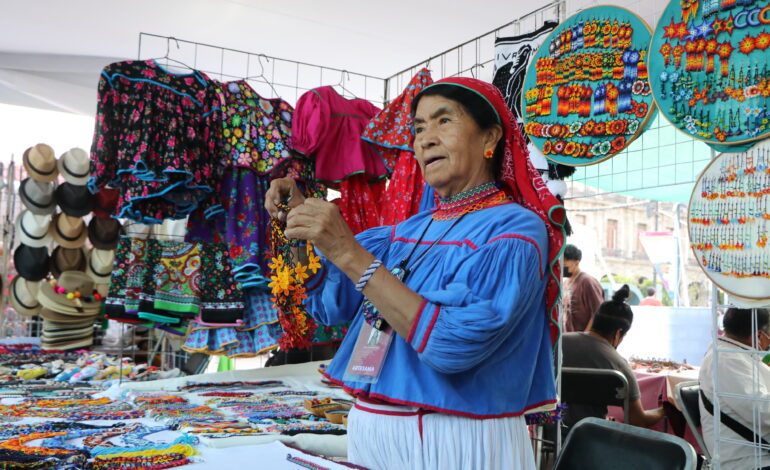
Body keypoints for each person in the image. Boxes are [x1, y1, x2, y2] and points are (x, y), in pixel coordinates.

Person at [265, 77, 565, 470]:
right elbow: (330, 307)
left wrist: (348, 252)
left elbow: (452, 346)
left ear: (490, 136)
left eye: (444, 121)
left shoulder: (515, 232)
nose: (424, 139)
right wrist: (303, 229)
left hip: (457, 441)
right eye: (419, 127)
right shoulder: (404, 233)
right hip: (376, 435)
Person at [562, 285, 665, 429]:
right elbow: (637, 420)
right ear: (618, 333)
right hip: (589, 435)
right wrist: (663, 410)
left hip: (548, 428)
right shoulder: (618, 366)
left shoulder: (558, 343)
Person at [699, 308, 770, 470]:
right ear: (758, 335)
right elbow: (762, 411)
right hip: (748, 461)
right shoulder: (727, 359)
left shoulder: (734, 354)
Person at [562, 244, 604, 332]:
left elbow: (598, 312)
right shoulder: (565, 283)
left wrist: (585, 336)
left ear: (577, 263)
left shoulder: (587, 282)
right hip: (569, 339)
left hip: (583, 340)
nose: (562, 268)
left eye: (565, 265)